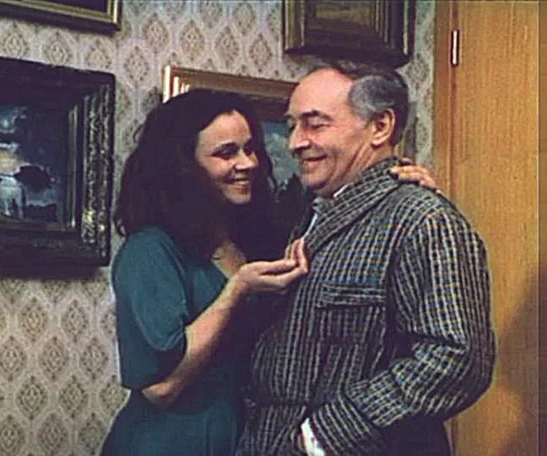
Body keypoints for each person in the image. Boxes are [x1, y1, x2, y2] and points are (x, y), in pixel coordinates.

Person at [100, 88, 437, 456]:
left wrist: (396, 185)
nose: (247, 163)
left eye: (250, 149)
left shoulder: (260, 237)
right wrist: (235, 292)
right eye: (226, 153)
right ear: (183, 167)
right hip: (172, 441)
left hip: (245, 434)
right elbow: (160, 388)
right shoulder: (150, 250)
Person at [236, 62, 495, 456]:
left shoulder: (423, 219)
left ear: (380, 127)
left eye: (315, 124)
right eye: (292, 126)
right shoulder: (312, 212)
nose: (295, 142)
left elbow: (457, 360)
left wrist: (322, 435)